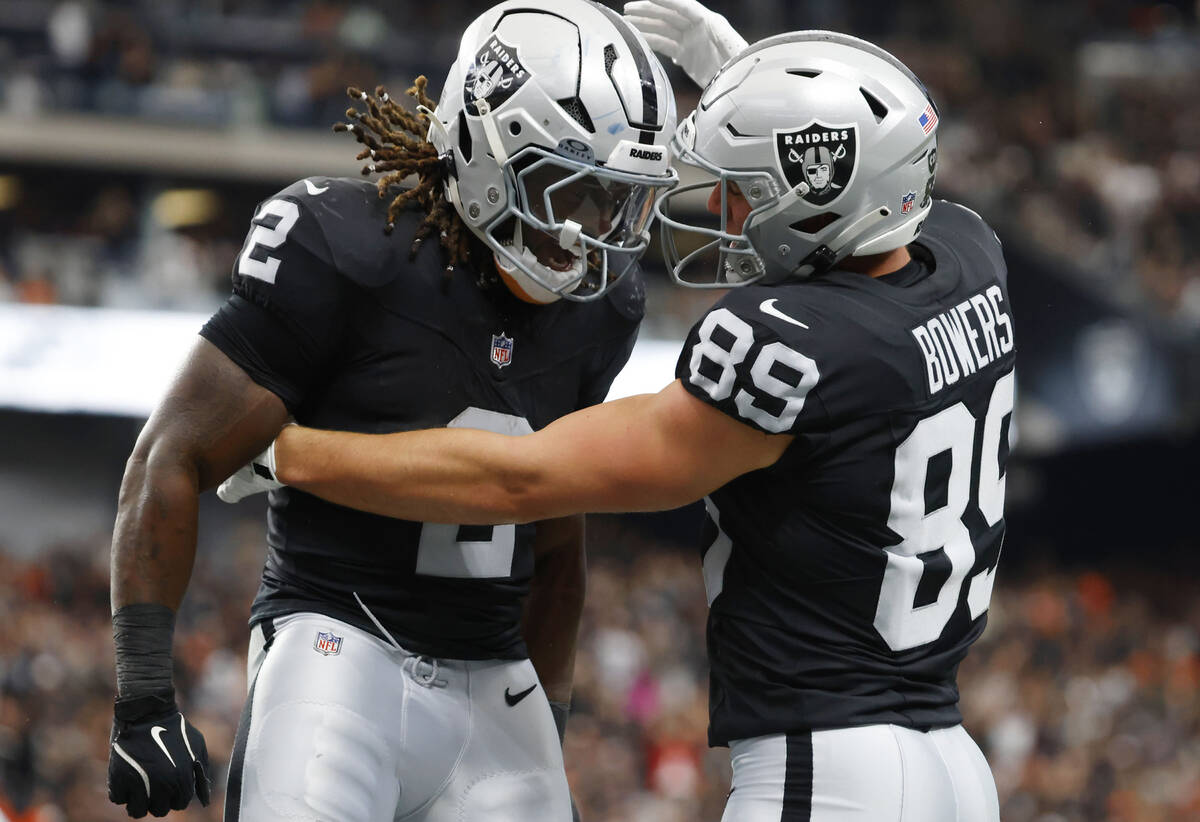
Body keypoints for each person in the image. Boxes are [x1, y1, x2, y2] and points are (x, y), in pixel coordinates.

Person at [221, 26, 1015, 822]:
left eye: (750, 185)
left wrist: (294, 453)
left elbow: (519, 476)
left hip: (835, 764)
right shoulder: (966, 255)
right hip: (951, 761)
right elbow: (883, 181)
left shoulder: (791, 344)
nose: (729, 211)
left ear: (821, 186)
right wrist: (754, 87)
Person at [105, 1, 677, 818]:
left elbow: (558, 539)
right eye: (569, 189)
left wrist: (548, 717)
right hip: (339, 651)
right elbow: (169, 454)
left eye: (616, 202)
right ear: (486, 148)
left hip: (496, 686)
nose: (588, 235)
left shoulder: (604, 308)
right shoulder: (343, 249)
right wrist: (143, 697)